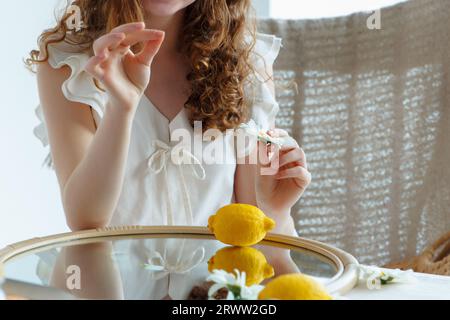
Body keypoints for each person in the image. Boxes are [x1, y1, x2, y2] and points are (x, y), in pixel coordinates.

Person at [29, 0, 311, 235]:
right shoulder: (66, 65)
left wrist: (277, 211)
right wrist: (121, 107)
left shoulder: (249, 63)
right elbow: (84, 219)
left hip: (213, 290)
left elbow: (258, 227)